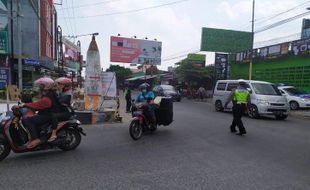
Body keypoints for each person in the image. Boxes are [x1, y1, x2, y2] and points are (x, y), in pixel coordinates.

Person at [22, 77, 61, 148]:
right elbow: (39, 103)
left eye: (41, 85)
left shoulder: (48, 96)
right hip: (46, 113)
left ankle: (35, 138)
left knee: (27, 120)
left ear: (46, 86)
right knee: (32, 117)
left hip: (48, 115)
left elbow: (38, 105)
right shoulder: (48, 94)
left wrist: (26, 105)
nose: (40, 87)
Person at [48, 77, 74, 142]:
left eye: (60, 84)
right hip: (62, 111)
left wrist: (57, 92)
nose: (58, 86)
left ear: (65, 86)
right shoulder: (62, 92)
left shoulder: (68, 94)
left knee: (53, 116)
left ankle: (53, 134)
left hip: (67, 112)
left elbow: (60, 102)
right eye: (58, 84)